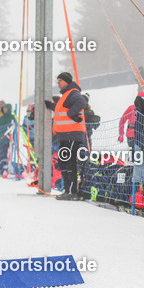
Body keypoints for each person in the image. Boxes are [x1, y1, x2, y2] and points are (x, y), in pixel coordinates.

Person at [45, 72, 88, 200]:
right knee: (63, 162)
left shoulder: (73, 92)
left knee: (68, 162)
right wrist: (51, 106)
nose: (58, 83)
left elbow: (81, 102)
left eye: (60, 80)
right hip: (65, 135)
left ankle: (71, 192)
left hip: (72, 134)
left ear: (67, 81)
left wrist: (72, 113)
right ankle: (68, 190)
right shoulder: (66, 95)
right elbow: (62, 110)